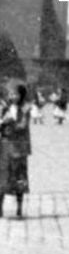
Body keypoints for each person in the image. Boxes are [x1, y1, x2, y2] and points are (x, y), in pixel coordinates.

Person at [0, 84, 32, 218]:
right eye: (11, 94)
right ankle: (0, 207)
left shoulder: (26, 108)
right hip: (5, 146)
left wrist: (9, 122)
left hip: (19, 147)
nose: (13, 96)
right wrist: (2, 122)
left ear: (21, 95)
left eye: (16, 94)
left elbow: (23, 126)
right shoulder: (4, 107)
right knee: (3, 175)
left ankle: (19, 206)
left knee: (19, 177)